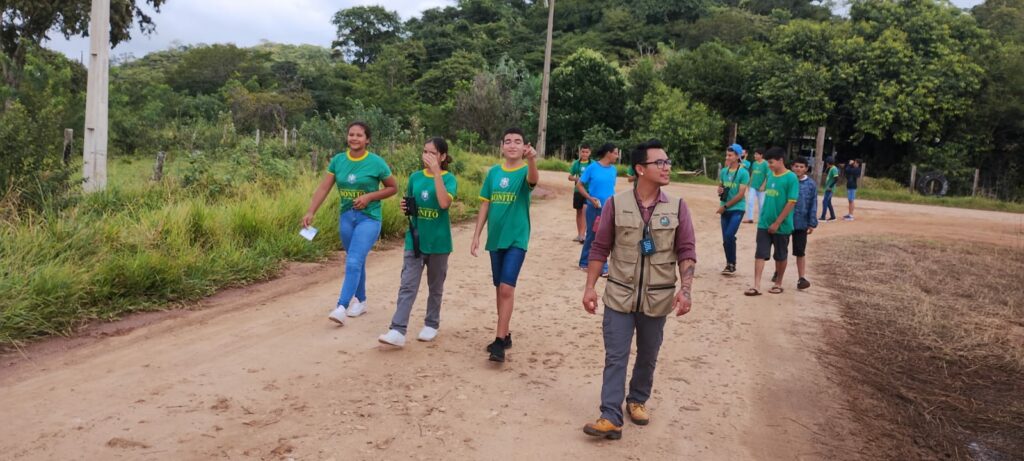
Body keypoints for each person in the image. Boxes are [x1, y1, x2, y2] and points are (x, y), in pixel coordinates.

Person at [581, 139, 697, 440]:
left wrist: (686, 290)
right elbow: (599, 248)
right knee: (616, 356)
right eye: (659, 162)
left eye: (667, 161)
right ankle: (610, 416)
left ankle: (637, 399)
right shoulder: (615, 205)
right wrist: (590, 287)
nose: (667, 166)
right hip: (619, 294)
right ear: (640, 169)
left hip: (657, 298)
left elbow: (686, 251)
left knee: (647, 354)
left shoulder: (678, 207)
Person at [303, 121, 398, 325]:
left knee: (353, 261)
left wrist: (370, 197)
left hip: (369, 219)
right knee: (356, 259)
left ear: (367, 140)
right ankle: (361, 301)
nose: (354, 138)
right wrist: (311, 211)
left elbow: (392, 188)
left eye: (359, 135)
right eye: (351, 134)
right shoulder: (338, 160)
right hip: (346, 218)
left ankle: (341, 306)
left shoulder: (376, 162)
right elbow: (324, 188)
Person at [378, 138, 458, 347]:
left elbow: (443, 203)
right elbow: (412, 205)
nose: (427, 156)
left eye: (432, 153)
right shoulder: (415, 177)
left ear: (442, 156)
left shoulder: (449, 179)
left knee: (435, 285)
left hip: (439, 242)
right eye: (424, 152)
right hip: (415, 239)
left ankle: (431, 324)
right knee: (408, 284)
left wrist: (437, 173)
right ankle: (397, 330)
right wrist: (407, 206)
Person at [471, 127, 540, 363]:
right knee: (498, 287)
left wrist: (532, 161)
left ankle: (499, 342)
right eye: (508, 141)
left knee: (506, 288)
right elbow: (485, 204)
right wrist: (476, 235)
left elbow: (533, 180)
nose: (512, 145)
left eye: (517, 141)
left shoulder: (524, 171)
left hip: (517, 239)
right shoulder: (493, 173)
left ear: (524, 147)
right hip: (495, 239)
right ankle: (506, 333)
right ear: (502, 146)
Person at [744, 147, 798, 296]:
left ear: (781, 160)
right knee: (760, 254)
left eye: (771, 162)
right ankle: (756, 286)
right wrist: (764, 219)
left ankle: (778, 283)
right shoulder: (771, 175)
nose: (769, 165)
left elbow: (791, 202)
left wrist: (777, 223)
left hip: (782, 226)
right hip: (764, 223)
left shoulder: (791, 178)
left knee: (780, 255)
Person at [577, 143, 619, 274]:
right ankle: (585, 262)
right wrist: (590, 198)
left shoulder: (614, 170)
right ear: (608, 153)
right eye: (616, 153)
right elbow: (579, 185)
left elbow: (611, 189)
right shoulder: (592, 167)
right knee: (593, 235)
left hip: (609, 208)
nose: (617, 156)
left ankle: (602, 265)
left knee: (607, 236)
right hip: (595, 208)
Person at [716, 147, 749, 274]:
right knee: (726, 238)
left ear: (737, 156)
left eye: (730, 155)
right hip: (725, 208)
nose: (727, 158)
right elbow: (720, 187)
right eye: (727, 155)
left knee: (729, 235)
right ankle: (729, 263)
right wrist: (720, 191)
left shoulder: (743, 173)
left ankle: (731, 263)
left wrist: (724, 207)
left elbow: (740, 195)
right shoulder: (724, 171)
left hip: (737, 209)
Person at [790, 157, 818, 290]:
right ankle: (778, 272)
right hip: (786, 221)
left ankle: (801, 278)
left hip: (801, 223)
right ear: (792, 167)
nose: (798, 169)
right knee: (781, 250)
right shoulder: (787, 180)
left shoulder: (811, 184)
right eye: (796, 166)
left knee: (800, 251)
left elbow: (813, 204)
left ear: (806, 168)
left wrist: (812, 222)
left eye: (801, 167)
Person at [568, 145, 592, 243]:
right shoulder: (576, 164)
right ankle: (579, 234)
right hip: (578, 191)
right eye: (583, 152)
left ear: (590, 153)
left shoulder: (593, 164)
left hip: (589, 191)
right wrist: (576, 179)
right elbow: (570, 176)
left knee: (585, 211)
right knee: (578, 212)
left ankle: (583, 235)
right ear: (580, 152)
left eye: (587, 152)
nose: (585, 154)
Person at [743, 148, 769, 224]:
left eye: (756, 154)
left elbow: (767, 176)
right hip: (753, 186)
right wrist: (749, 184)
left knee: (761, 204)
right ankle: (750, 218)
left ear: (761, 155)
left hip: (761, 188)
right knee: (750, 201)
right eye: (755, 154)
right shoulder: (754, 163)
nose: (755, 155)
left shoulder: (766, 164)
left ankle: (761, 220)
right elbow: (753, 174)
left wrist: (763, 186)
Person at [820, 157, 839, 222]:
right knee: (828, 202)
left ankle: (823, 217)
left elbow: (836, 178)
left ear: (827, 163)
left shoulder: (834, 169)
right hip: (828, 188)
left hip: (829, 189)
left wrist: (830, 186)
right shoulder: (831, 168)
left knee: (825, 201)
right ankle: (833, 216)